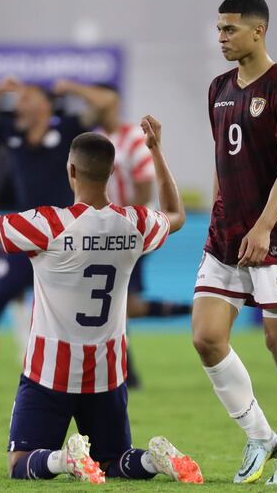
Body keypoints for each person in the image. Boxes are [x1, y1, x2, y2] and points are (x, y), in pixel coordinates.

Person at [0, 116, 202, 484]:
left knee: (20, 463)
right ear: (110, 171)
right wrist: (155, 152)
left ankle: (64, 461)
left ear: (71, 169)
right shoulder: (134, 224)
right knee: (115, 461)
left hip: (49, 370)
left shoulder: (48, 225)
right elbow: (176, 214)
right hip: (108, 369)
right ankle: (153, 460)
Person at [191, 0, 277, 485]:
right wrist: (218, 215)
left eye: (230, 30)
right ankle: (261, 435)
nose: (221, 38)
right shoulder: (218, 87)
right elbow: (223, 161)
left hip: (274, 237)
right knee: (206, 337)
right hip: (225, 236)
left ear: (258, 31)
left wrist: (263, 226)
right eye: (219, 29)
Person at [0, 77, 115, 390]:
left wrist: (72, 88)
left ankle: (112, 367)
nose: (19, 102)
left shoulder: (67, 127)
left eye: (28, 97)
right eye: (19, 98)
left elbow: (105, 103)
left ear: (46, 104)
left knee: (81, 306)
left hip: (68, 231)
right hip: (30, 230)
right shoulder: (12, 131)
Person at [55, 79, 193, 388]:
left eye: (96, 100)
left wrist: (119, 224)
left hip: (128, 230)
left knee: (123, 303)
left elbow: (144, 190)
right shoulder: (96, 140)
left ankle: (126, 367)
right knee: (118, 302)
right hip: (100, 229)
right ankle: (125, 369)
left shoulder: (133, 138)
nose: (92, 107)